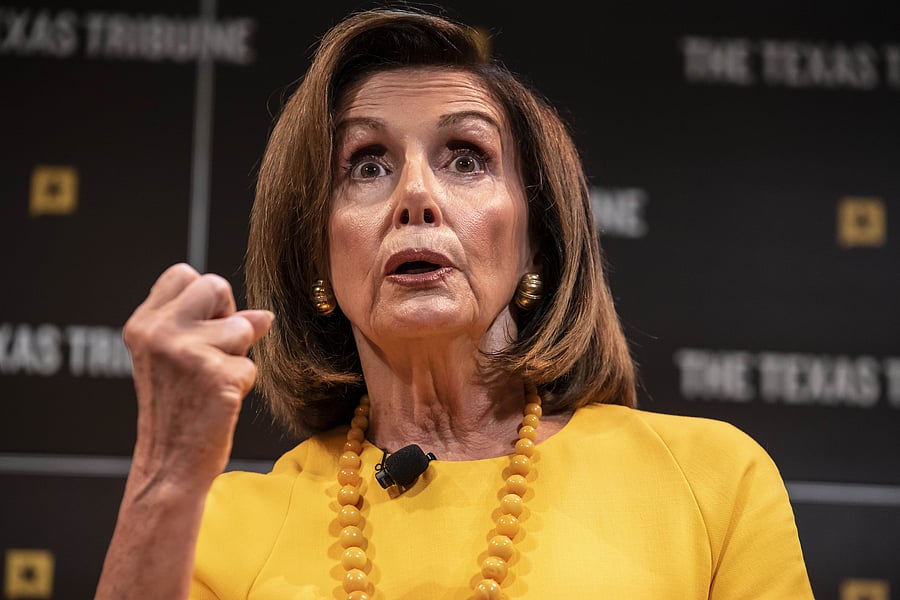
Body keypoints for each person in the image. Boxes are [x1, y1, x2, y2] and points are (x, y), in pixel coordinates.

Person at [95, 5, 815, 599]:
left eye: (466, 158)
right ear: (317, 252)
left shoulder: (710, 481)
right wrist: (166, 468)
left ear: (537, 240)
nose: (416, 196)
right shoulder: (221, 528)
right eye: (366, 164)